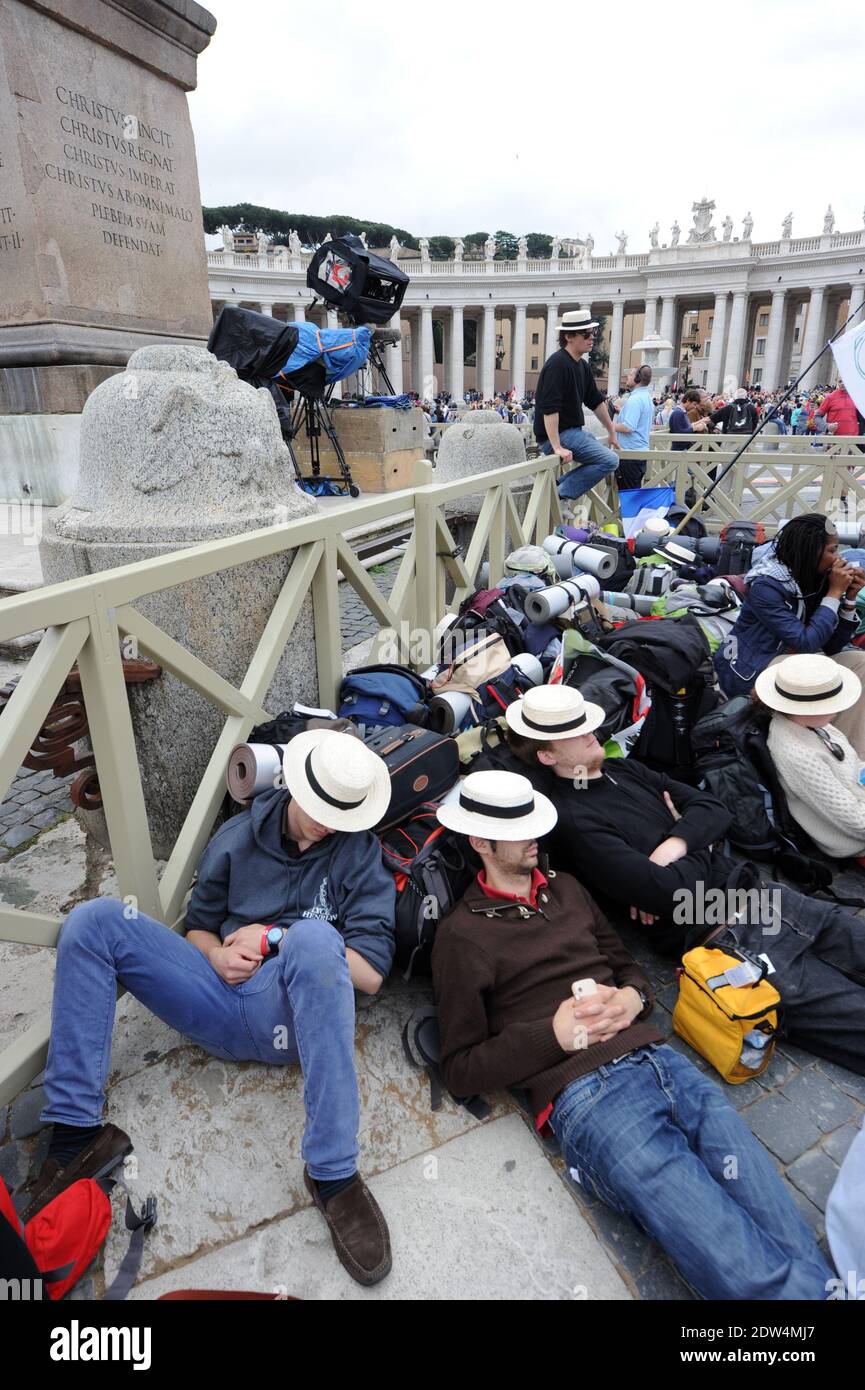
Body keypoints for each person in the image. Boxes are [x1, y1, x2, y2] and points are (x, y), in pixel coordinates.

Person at [431, 768, 833, 1300]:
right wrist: (551, 1035)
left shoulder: (568, 889)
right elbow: (460, 1069)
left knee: (783, 1226)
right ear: (480, 841)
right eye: (518, 828)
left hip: (661, 1062)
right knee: (743, 1264)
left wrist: (634, 998)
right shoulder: (463, 936)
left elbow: (626, 966)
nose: (534, 835)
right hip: (588, 1095)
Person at [23, 729, 397, 1287]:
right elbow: (199, 928)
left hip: (291, 1016)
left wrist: (275, 937)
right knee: (96, 921)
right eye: (320, 809)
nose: (328, 823)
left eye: (341, 814)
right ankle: (77, 1135)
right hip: (218, 1000)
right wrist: (217, 954)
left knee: (316, 941)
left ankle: (333, 1174)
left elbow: (369, 973)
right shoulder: (237, 837)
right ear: (293, 784)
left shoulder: (359, 852)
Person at [499, 683, 865, 1077]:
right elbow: (668, 894)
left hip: (767, 898)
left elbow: (716, 808)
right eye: (571, 732)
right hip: (727, 938)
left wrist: (673, 845)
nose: (590, 731)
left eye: (584, 722)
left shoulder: (622, 769)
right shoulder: (575, 820)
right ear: (547, 754)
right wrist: (699, 844)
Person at [712, 512, 865, 700]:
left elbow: (833, 646)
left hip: (794, 660)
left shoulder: (816, 579)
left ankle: (838, 727)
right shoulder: (766, 585)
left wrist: (849, 599)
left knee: (860, 662)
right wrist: (833, 593)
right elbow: (805, 643)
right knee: (807, 675)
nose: (838, 558)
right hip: (752, 667)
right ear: (810, 551)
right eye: (832, 551)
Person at [761, 654, 865, 860]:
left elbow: (854, 763)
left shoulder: (815, 725)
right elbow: (856, 821)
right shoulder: (798, 754)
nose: (839, 708)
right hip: (854, 841)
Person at [533, 309, 620, 502]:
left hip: (572, 433)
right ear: (569, 337)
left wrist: (611, 430)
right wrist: (556, 446)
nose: (592, 339)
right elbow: (550, 409)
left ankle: (557, 489)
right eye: (587, 334)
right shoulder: (557, 364)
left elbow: (596, 402)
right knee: (610, 460)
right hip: (559, 437)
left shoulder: (582, 365)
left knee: (605, 457)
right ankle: (559, 494)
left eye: (593, 334)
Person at [613, 364, 654, 488]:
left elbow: (628, 427)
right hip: (640, 453)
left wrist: (609, 425)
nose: (627, 376)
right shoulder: (646, 397)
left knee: (628, 496)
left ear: (637, 378)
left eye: (630, 374)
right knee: (633, 493)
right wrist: (622, 411)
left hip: (629, 455)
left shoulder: (634, 400)